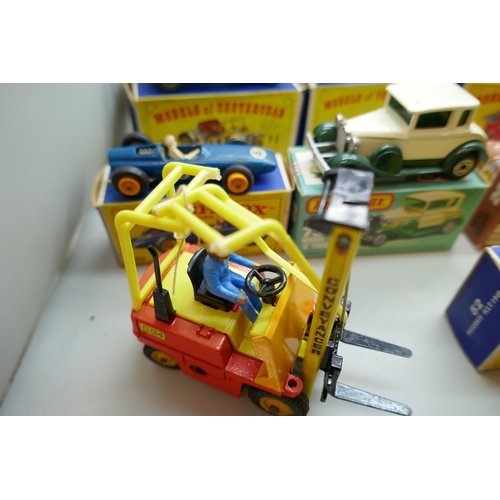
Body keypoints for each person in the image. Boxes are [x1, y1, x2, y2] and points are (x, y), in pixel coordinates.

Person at [203, 251, 262, 323]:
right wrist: (235, 297)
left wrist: (253, 265)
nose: (228, 256)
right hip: (220, 284)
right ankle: (256, 320)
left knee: (251, 285)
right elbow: (215, 288)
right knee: (244, 300)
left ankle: (260, 307)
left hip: (227, 274)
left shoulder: (224, 252)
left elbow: (235, 257)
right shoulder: (210, 268)